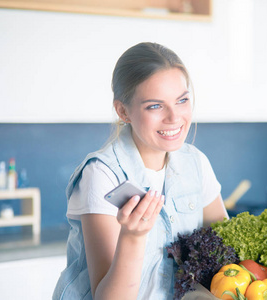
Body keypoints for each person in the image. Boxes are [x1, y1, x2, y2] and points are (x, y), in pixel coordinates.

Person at [53, 42, 228, 300]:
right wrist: (133, 237)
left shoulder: (195, 163)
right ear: (123, 111)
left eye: (182, 100)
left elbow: (226, 252)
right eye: (155, 106)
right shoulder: (102, 175)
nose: (174, 117)